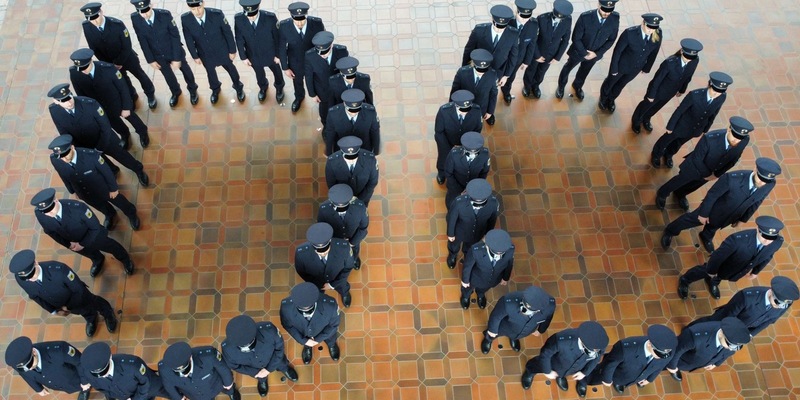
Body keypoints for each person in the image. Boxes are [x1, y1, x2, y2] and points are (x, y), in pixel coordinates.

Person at [661, 158, 781, 252]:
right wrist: (703, 214)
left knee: (714, 227)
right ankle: (671, 230)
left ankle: (706, 236)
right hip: (712, 211)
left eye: (766, 181)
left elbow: (758, 201)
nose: (762, 182)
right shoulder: (731, 179)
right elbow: (712, 195)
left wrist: (743, 219)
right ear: (755, 169)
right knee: (690, 220)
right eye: (760, 178)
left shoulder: (769, 184)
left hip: (730, 216)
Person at [47, 83, 151, 187]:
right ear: (55, 101)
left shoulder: (90, 104)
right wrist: (77, 148)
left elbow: (105, 126)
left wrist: (100, 147)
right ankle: (113, 170)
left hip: (106, 139)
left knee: (123, 156)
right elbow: (62, 130)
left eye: (69, 98)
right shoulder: (54, 110)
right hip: (84, 145)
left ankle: (138, 169)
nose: (69, 103)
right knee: (101, 162)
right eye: (63, 101)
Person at [9, 249, 117, 338]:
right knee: (82, 312)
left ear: (36, 263)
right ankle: (91, 318)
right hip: (63, 305)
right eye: (27, 278)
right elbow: (35, 297)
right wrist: (54, 311)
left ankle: (108, 314)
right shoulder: (21, 279)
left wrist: (74, 305)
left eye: (32, 274)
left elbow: (78, 288)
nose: (31, 279)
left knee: (93, 302)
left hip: (78, 297)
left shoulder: (59, 270)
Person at [31, 188, 135, 277]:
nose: (50, 214)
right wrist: (69, 244)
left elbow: (94, 227)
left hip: (93, 236)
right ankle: (98, 259)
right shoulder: (40, 214)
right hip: (73, 243)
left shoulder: (78, 208)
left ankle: (125, 259)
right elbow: (50, 232)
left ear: (56, 200)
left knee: (111, 246)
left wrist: (82, 244)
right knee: (89, 253)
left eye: (51, 209)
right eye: (46, 211)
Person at [656, 116, 752, 211]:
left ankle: (680, 193)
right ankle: (663, 193)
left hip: (711, 172)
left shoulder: (744, 140)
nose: (736, 140)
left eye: (739, 138)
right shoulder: (710, 139)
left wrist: (716, 174)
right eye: (734, 136)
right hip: (694, 167)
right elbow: (697, 158)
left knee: (693, 186)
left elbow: (735, 158)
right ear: (728, 129)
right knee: (678, 181)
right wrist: (708, 175)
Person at [677, 216, 784, 300]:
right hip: (723, 264)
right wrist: (712, 270)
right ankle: (686, 279)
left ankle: (713, 282)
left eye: (771, 238)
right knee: (705, 270)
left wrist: (756, 271)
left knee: (723, 275)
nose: (767, 241)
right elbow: (717, 257)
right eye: (764, 236)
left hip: (737, 269)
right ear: (757, 230)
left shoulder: (777, 242)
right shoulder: (736, 240)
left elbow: (768, 256)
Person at [48, 135, 141, 231]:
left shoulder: (91, 156)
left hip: (103, 188)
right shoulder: (55, 159)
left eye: (65, 154)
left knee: (119, 201)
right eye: (61, 157)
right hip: (84, 192)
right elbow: (63, 175)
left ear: (72, 147)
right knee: (100, 206)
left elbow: (107, 172)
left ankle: (131, 212)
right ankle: (110, 213)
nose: (64, 159)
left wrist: (113, 188)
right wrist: (73, 191)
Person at [69, 48, 150, 150]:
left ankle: (142, 132)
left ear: (91, 61)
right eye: (80, 68)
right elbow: (81, 94)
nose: (83, 70)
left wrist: (126, 107)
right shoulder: (75, 73)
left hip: (118, 102)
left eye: (85, 67)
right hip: (101, 107)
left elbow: (123, 88)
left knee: (131, 117)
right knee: (114, 123)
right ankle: (124, 134)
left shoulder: (109, 69)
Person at [80, 2, 157, 109]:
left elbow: (127, 45)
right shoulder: (87, 26)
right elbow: (94, 48)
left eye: (96, 17)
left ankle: (150, 94)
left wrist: (118, 62)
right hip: (110, 62)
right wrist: (108, 64)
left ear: (101, 12)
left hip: (127, 58)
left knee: (140, 75)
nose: (94, 21)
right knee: (124, 81)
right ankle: (133, 96)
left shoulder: (117, 24)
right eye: (90, 19)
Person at [651, 71, 732, 168]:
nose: (716, 94)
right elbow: (680, 110)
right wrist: (670, 126)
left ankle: (669, 154)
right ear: (710, 84)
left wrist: (705, 129)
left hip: (695, 129)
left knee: (679, 143)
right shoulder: (694, 95)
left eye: (720, 92)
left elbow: (714, 113)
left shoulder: (722, 97)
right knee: (667, 139)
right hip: (681, 125)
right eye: (715, 91)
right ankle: (657, 154)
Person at [129, 0, 199, 107]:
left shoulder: (165, 15)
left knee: (185, 70)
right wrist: (150, 59)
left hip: (173, 51)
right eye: (141, 12)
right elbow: (142, 40)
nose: (145, 14)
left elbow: (175, 36)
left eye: (147, 10)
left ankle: (193, 89)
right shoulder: (135, 18)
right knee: (168, 75)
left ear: (151, 6)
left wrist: (176, 58)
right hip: (157, 55)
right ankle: (176, 92)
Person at [631, 38, 702, 134]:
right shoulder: (670, 63)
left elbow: (688, 76)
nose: (689, 61)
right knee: (645, 106)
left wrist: (682, 89)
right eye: (687, 57)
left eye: (691, 58)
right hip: (658, 91)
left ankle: (646, 118)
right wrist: (651, 95)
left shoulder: (695, 60)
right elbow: (656, 80)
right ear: (681, 52)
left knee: (656, 107)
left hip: (670, 92)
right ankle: (636, 120)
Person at [521, 321, 609, 397]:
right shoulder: (561, 341)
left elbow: (596, 359)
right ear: (583, 343)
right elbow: (545, 354)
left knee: (564, 372)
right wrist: (547, 371)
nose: (595, 351)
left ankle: (560, 376)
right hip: (553, 363)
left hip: (573, 368)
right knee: (536, 365)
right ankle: (530, 371)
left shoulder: (599, 344)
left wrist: (584, 372)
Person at [689, 276, 798, 337]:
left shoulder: (785, 303)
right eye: (778, 302)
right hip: (725, 319)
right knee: (708, 324)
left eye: (783, 304)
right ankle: (689, 332)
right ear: (771, 292)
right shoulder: (746, 297)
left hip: (741, 328)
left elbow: (770, 321)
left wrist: (751, 334)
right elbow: (729, 315)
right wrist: (727, 328)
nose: (779, 307)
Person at [181, 0, 245, 104]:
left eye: (199, 8)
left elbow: (227, 33)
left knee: (231, 69)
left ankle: (238, 86)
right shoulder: (186, 19)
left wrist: (232, 50)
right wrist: (195, 56)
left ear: (203, 4)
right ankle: (215, 90)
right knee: (210, 73)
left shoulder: (217, 14)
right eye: (193, 9)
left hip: (222, 50)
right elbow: (188, 39)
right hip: (205, 53)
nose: (197, 11)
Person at [584, 324, 677, 395]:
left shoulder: (667, 352)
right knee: (595, 377)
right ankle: (584, 380)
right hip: (616, 373)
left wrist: (650, 379)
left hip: (628, 377)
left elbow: (659, 367)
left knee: (623, 379)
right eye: (657, 353)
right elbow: (610, 364)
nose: (659, 357)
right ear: (649, 344)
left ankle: (619, 382)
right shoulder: (625, 349)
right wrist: (607, 379)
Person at [556, 0, 620, 100]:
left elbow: (611, 40)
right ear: (598, 5)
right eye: (604, 10)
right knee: (568, 67)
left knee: (584, 71)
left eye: (610, 10)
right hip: (578, 52)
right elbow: (576, 38)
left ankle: (577, 86)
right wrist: (584, 53)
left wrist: (597, 54)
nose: (606, 13)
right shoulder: (585, 17)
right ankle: (561, 86)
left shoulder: (615, 18)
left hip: (594, 55)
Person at [598, 13, 662, 112]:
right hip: (620, 66)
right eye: (649, 27)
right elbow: (617, 52)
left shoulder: (657, 33)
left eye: (654, 28)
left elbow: (654, 52)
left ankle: (611, 99)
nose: (651, 31)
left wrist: (646, 68)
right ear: (643, 23)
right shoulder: (629, 33)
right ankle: (603, 98)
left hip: (635, 68)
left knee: (621, 85)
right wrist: (614, 68)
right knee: (610, 83)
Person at [221, 315, 299, 397]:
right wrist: (256, 373)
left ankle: (285, 369)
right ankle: (262, 380)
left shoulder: (269, 330)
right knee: (261, 377)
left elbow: (279, 348)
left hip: (274, 358)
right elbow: (235, 366)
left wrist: (268, 369)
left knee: (282, 363)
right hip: (255, 368)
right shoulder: (227, 349)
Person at [462, 5, 519, 102]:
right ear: (492, 19)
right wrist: (464, 69)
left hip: (498, 70)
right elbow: (468, 50)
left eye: (502, 27)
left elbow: (513, 56)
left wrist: (506, 75)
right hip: (477, 67)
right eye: (496, 25)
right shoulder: (479, 30)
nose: (498, 30)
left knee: (490, 93)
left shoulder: (513, 34)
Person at [666, 318, 751, 382]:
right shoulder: (695, 336)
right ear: (721, 333)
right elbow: (677, 350)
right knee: (659, 363)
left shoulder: (731, 341)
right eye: (729, 344)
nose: (730, 348)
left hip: (694, 363)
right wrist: (672, 367)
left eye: (734, 347)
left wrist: (716, 363)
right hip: (682, 360)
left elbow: (728, 353)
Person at [4, 336, 90, 400]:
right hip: (60, 384)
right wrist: (38, 389)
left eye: (30, 364)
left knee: (87, 384)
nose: (29, 369)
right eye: (25, 368)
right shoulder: (18, 362)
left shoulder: (60, 350)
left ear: (33, 351)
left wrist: (85, 381)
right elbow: (25, 375)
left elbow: (80, 362)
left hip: (75, 379)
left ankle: (85, 390)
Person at [277, 1, 325, 112]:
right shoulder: (284, 26)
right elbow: (282, 48)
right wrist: (285, 67)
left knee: (317, 81)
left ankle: (320, 98)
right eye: (296, 21)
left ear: (306, 16)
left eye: (302, 20)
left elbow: (322, 42)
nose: (299, 24)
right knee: (297, 82)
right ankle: (299, 97)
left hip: (314, 61)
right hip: (295, 62)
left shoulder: (316, 24)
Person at [234, 0, 285, 103]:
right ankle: (263, 87)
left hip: (271, 54)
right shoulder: (239, 19)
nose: (252, 17)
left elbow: (278, 37)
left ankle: (279, 87)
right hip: (253, 54)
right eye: (249, 15)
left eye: (254, 14)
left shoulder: (270, 18)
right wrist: (243, 57)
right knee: (259, 73)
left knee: (276, 71)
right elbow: (239, 39)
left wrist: (278, 55)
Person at [521, 0, 573, 99]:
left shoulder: (568, 20)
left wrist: (557, 57)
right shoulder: (541, 18)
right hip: (537, 52)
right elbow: (533, 39)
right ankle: (527, 87)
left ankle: (535, 86)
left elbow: (565, 40)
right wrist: (536, 55)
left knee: (542, 71)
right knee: (531, 70)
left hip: (551, 54)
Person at [295, 222, 355, 307]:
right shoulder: (301, 253)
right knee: (317, 294)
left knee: (343, 286)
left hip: (338, 279)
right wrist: (317, 284)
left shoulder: (344, 248)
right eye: (319, 251)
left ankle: (345, 293)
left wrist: (332, 285)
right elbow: (301, 271)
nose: (323, 254)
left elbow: (348, 267)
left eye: (325, 250)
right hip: (317, 281)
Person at [280, 282, 342, 364]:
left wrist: (318, 340)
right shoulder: (286, 307)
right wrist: (304, 341)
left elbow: (333, 325)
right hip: (304, 334)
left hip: (325, 331)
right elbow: (287, 326)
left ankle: (331, 345)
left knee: (331, 338)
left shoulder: (330, 305)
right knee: (307, 342)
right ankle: (308, 347)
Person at [79, 342, 167, 399]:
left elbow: (145, 382)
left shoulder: (132, 365)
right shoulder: (89, 372)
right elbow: (103, 389)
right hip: (125, 395)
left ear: (110, 357)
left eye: (104, 372)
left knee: (166, 391)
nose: (103, 376)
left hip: (147, 388)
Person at [482, 285, 555, 353]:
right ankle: (488, 340)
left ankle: (514, 338)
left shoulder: (550, 306)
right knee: (492, 335)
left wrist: (541, 330)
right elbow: (496, 316)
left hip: (526, 330)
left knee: (516, 335)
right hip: (505, 326)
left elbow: (548, 318)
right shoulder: (508, 302)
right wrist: (492, 330)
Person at [446, 178, 499, 268]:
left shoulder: (493, 204)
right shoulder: (459, 202)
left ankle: (467, 258)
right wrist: (450, 233)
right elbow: (452, 217)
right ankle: (452, 256)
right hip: (459, 230)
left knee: (470, 248)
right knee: (454, 245)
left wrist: (487, 234)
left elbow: (492, 220)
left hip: (477, 232)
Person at [159, 342, 241, 400]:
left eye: (185, 370)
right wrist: (179, 398)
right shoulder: (164, 368)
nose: (185, 375)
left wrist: (228, 383)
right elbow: (168, 386)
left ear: (190, 358)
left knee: (230, 389)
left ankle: (231, 393)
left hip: (215, 384)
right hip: (195, 395)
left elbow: (223, 369)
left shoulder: (208, 356)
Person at [434, 90, 483, 184]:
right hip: (447, 142)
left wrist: (466, 145)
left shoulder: (476, 111)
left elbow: (477, 130)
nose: (465, 113)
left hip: (466, 145)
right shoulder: (444, 111)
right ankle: (441, 172)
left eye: (467, 109)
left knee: (461, 163)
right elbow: (439, 132)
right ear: (455, 105)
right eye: (462, 110)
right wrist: (447, 147)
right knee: (443, 158)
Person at [318, 184, 369, 270]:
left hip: (353, 238)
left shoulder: (360, 208)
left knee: (354, 251)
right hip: (335, 238)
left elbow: (363, 228)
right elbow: (322, 228)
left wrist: (352, 242)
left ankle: (354, 260)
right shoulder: (324, 209)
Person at [460, 229, 515, 309]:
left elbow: (509, 264)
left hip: (493, 279)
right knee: (468, 289)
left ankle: (481, 295)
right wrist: (465, 280)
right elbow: (467, 266)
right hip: (475, 277)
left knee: (484, 288)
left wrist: (505, 278)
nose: (499, 254)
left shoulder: (510, 250)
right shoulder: (476, 250)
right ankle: (466, 296)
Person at [305, 31, 348, 125]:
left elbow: (346, 68)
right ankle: (326, 126)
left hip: (339, 88)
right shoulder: (310, 56)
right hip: (322, 90)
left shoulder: (342, 51)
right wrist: (312, 94)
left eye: (325, 52)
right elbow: (308, 76)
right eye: (320, 53)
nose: (323, 55)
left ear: (331, 45)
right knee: (324, 112)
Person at [500, 0, 538, 104]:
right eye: (522, 16)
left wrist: (526, 62)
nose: (525, 20)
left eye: (528, 17)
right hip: (502, 58)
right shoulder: (507, 22)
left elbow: (531, 45)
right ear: (517, 12)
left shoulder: (533, 25)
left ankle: (506, 92)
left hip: (517, 60)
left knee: (510, 77)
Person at [324, 88, 381, 155]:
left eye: (357, 110)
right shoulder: (333, 114)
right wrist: (329, 153)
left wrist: (376, 152)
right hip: (342, 150)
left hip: (364, 149)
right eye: (350, 110)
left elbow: (375, 132)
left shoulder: (370, 112)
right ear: (344, 104)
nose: (353, 114)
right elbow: (330, 134)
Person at [325, 136, 379, 206]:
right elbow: (331, 184)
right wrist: (343, 199)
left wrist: (360, 200)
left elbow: (372, 182)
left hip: (363, 196)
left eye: (354, 157)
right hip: (342, 198)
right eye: (347, 157)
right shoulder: (332, 162)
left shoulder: (370, 160)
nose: (351, 160)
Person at [451, 49, 498, 125]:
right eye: (478, 69)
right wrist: (452, 108)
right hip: (463, 105)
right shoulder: (462, 73)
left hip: (481, 108)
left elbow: (493, 94)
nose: (480, 73)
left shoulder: (492, 75)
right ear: (473, 64)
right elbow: (454, 91)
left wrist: (490, 112)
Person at [444, 131, 490, 208]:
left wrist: (473, 187)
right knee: (452, 205)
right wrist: (457, 188)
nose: (473, 155)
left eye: (475, 153)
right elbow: (448, 173)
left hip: (474, 188)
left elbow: (484, 172)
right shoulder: (454, 154)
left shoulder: (485, 155)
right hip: (455, 185)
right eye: (469, 153)